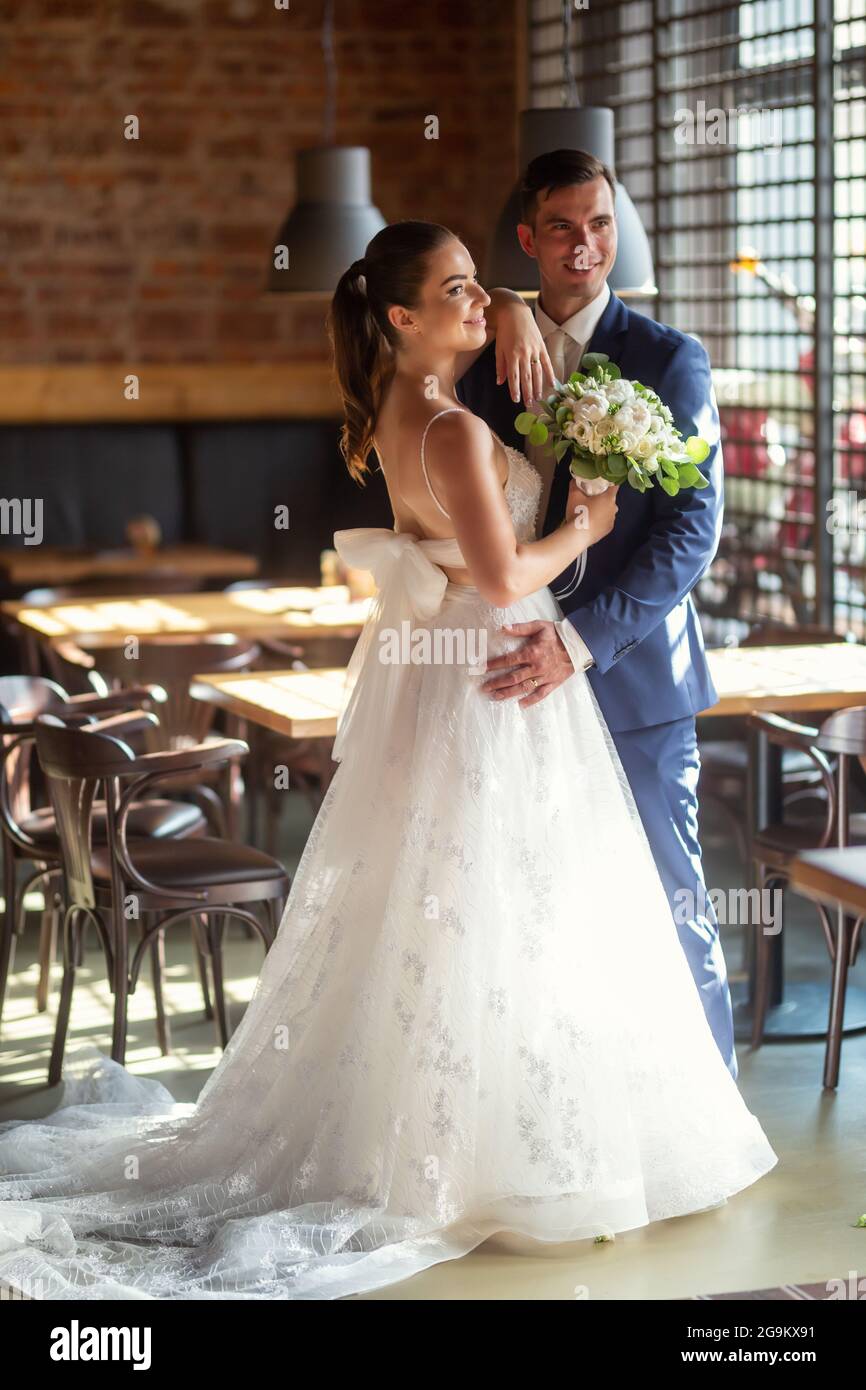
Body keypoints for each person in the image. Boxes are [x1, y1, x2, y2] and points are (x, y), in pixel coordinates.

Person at [0, 220, 777, 1302]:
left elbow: (471, 516)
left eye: (478, 283)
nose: (480, 300)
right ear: (403, 317)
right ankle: (493, 1152)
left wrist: (505, 307)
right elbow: (506, 574)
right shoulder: (452, 431)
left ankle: (461, 1129)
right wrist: (587, 526)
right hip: (496, 659)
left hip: (456, 671)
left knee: (464, 900)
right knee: (513, 897)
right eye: (457, 289)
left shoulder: (406, 410)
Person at [457, 149, 738, 1076]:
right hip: (513, 679)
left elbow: (692, 530)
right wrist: (500, 306)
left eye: (602, 224)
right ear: (531, 239)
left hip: (635, 681)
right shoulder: (486, 365)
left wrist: (582, 640)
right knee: (533, 908)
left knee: (669, 896)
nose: (587, 246)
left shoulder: (669, 358)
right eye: (566, 228)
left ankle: (714, 1108)